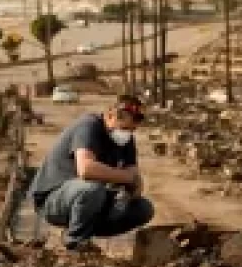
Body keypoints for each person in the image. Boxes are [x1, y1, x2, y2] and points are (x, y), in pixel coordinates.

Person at [29, 95, 155, 251]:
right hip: (53, 198)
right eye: (124, 128)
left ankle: (84, 230)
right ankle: (76, 242)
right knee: (92, 189)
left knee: (142, 208)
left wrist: (128, 194)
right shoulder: (88, 126)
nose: (127, 134)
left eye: (132, 130)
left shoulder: (126, 141)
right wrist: (127, 178)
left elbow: (135, 180)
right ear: (110, 115)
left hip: (89, 199)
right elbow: (86, 169)